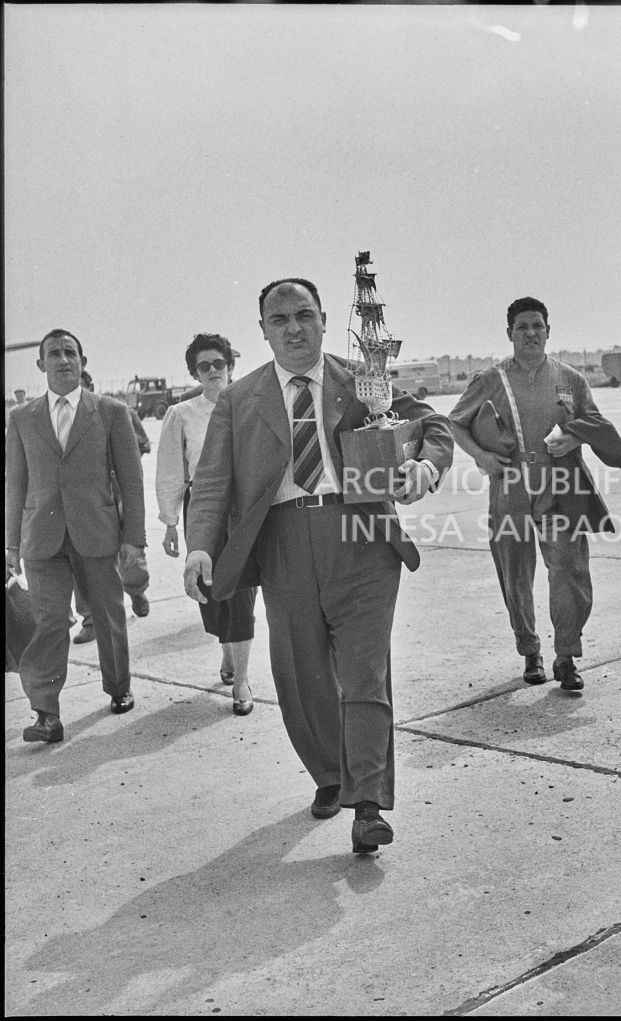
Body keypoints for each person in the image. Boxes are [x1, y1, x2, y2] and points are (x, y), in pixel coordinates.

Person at [182, 278, 453, 853]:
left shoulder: (361, 378)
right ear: (262, 331)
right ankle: (333, 775)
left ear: (326, 318)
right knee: (302, 676)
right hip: (280, 542)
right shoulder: (238, 399)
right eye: (279, 320)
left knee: (364, 673)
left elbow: (433, 424)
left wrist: (424, 468)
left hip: (360, 534)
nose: (294, 328)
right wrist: (201, 544)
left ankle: (370, 804)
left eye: (304, 315)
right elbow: (210, 482)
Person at [448, 296, 621, 691]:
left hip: (560, 487)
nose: (531, 333)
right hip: (510, 487)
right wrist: (482, 456)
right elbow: (455, 424)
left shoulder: (570, 379)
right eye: (522, 327)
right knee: (515, 573)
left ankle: (566, 656)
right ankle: (530, 649)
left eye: (538, 326)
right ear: (510, 334)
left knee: (570, 570)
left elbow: (595, 422)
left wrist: (573, 437)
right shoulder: (490, 380)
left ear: (549, 331)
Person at [5, 329, 145, 744]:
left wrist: (133, 537)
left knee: (107, 613)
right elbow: (15, 483)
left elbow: (132, 480)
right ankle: (46, 713)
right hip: (41, 538)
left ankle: (119, 686)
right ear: (41, 364)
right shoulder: (21, 418)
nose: (63, 360)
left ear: (83, 362)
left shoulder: (110, 411)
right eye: (54, 354)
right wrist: (11, 543)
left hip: (97, 533)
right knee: (49, 622)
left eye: (70, 353)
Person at [156, 334, 258, 715]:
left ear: (231, 364)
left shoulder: (251, 405)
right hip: (202, 509)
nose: (214, 370)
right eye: (205, 366)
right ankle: (227, 651)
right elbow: (170, 471)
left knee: (244, 592)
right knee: (212, 592)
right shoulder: (182, 414)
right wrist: (169, 522)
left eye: (219, 363)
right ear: (194, 372)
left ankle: (243, 679)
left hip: (245, 510)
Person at [72, 369, 152, 644]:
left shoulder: (117, 411)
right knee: (80, 560)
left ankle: (137, 590)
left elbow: (141, 445)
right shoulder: (59, 420)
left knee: (129, 551)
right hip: (84, 500)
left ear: (90, 386)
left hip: (117, 493)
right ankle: (90, 620)